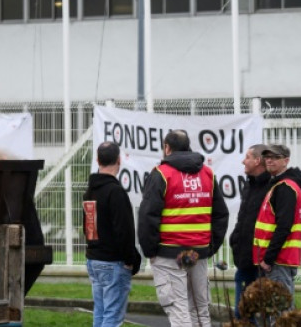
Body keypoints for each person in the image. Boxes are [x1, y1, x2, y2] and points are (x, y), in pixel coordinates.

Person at [138, 129, 229, 327]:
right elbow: (221, 214)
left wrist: (150, 251)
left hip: (169, 253)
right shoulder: (207, 173)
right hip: (199, 253)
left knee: (178, 310)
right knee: (200, 310)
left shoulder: (161, 174)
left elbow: (148, 216)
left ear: (167, 148)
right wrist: (209, 247)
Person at [83, 141, 142, 327]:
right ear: (119, 160)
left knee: (100, 313)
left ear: (97, 160)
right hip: (113, 262)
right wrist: (131, 259)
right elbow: (124, 231)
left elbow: (88, 228)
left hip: (94, 259)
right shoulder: (115, 192)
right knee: (112, 316)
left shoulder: (90, 192)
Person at [252, 144, 301, 314]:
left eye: (275, 157)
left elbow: (283, 227)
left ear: (286, 161)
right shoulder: (279, 185)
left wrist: (268, 259)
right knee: (276, 311)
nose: (270, 160)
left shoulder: (285, 188)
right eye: (267, 157)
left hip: (278, 260)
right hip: (278, 259)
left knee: (280, 313)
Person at [228, 143, 272, 319]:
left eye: (247, 157)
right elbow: (243, 218)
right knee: (242, 313)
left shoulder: (271, 187)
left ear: (257, 161)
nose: (243, 161)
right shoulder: (249, 185)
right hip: (244, 258)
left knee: (261, 314)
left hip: (261, 261)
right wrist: (235, 239)